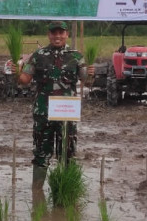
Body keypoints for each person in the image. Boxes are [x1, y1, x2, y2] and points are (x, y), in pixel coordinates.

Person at [17, 21, 93, 189]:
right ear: (48, 34)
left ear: (66, 34)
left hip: (66, 114)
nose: (57, 36)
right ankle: (37, 192)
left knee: (66, 153)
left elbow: (86, 81)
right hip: (43, 113)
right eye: (54, 33)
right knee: (41, 153)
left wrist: (92, 73)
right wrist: (16, 71)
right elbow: (25, 80)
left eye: (61, 32)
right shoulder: (38, 55)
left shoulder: (76, 56)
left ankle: (65, 190)